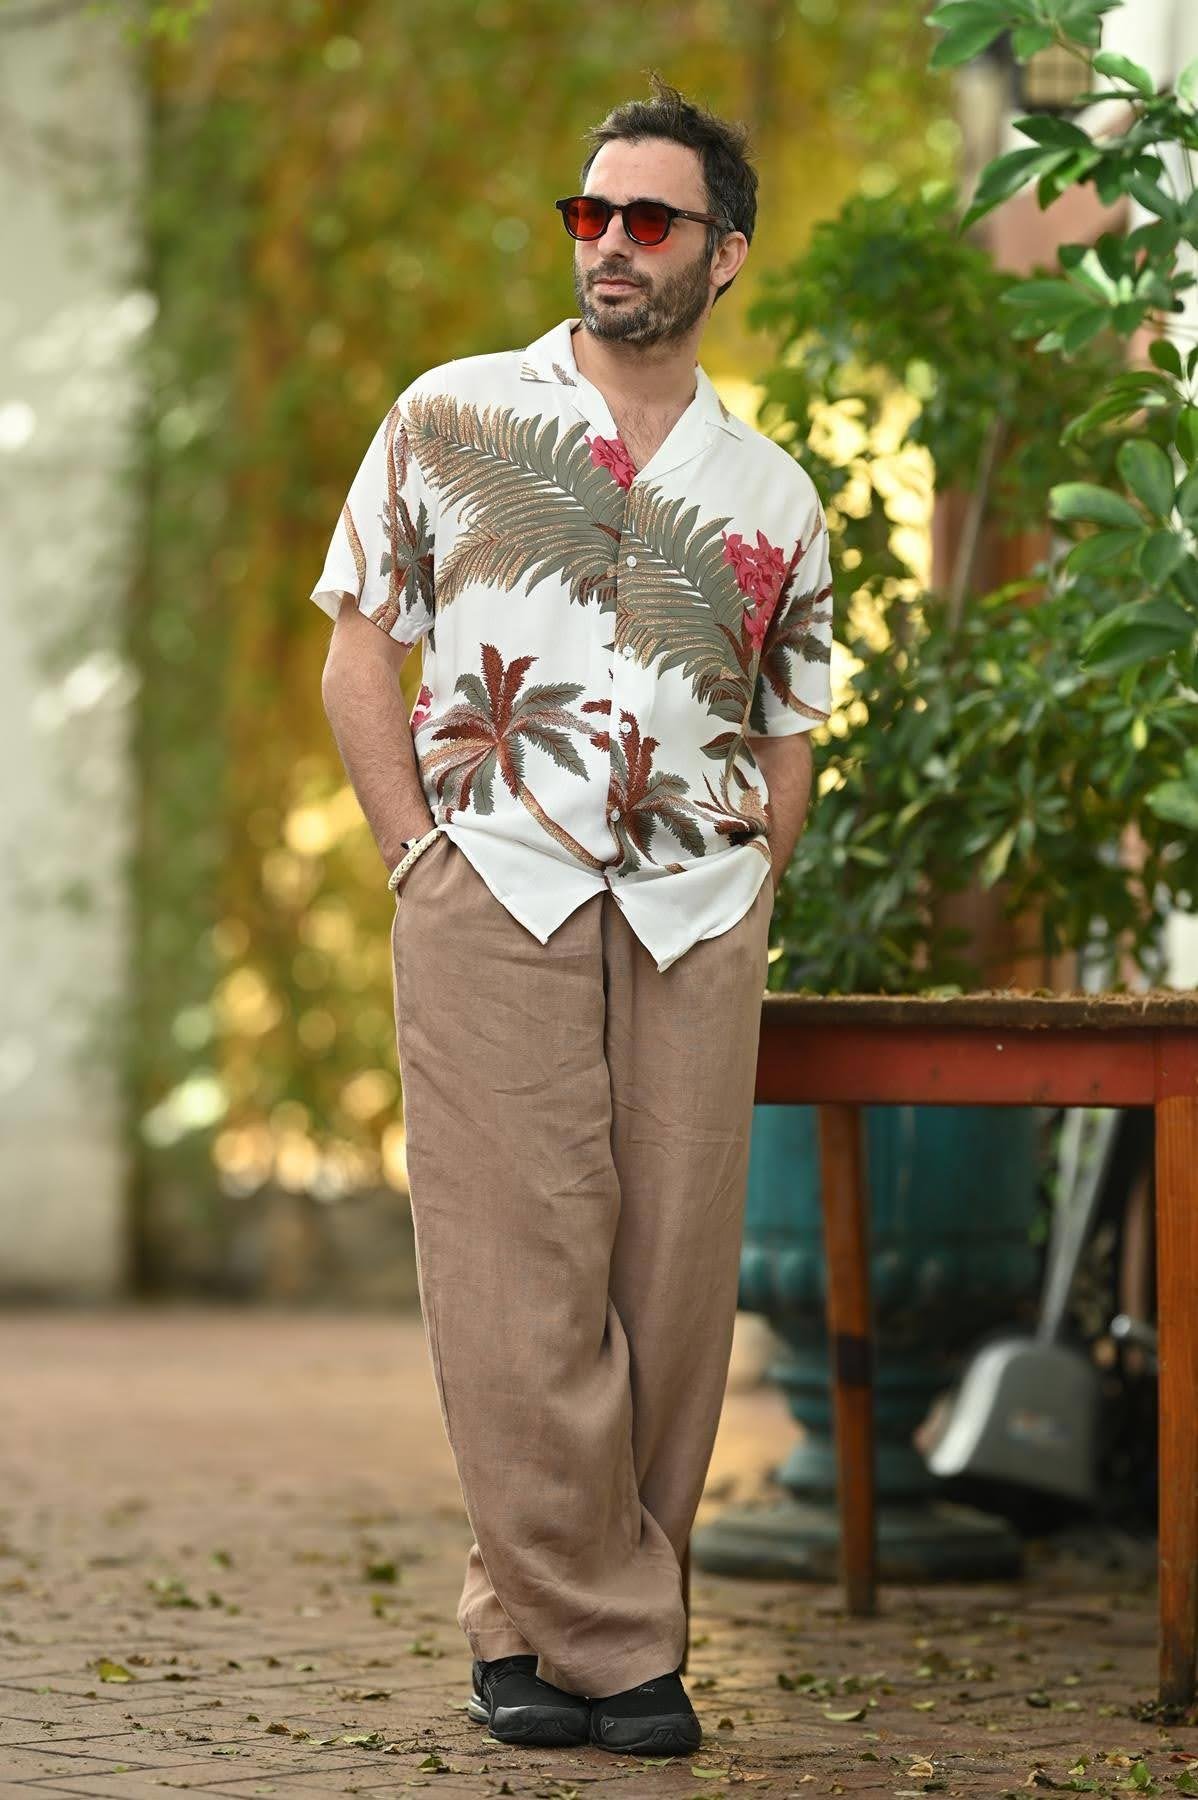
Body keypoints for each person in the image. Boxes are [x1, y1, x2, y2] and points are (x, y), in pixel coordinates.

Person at [311, 73, 834, 1758]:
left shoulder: (773, 494)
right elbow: (357, 649)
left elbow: (790, 719)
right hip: (493, 885)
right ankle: (622, 1642)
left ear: (722, 253)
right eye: (589, 212)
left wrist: (758, 873)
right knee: (513, 1278)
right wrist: (414, 853)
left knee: (669, 1287)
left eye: (649, 218)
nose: (609, 241)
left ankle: (522, 1629)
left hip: (695, 911)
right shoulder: (449, 414)